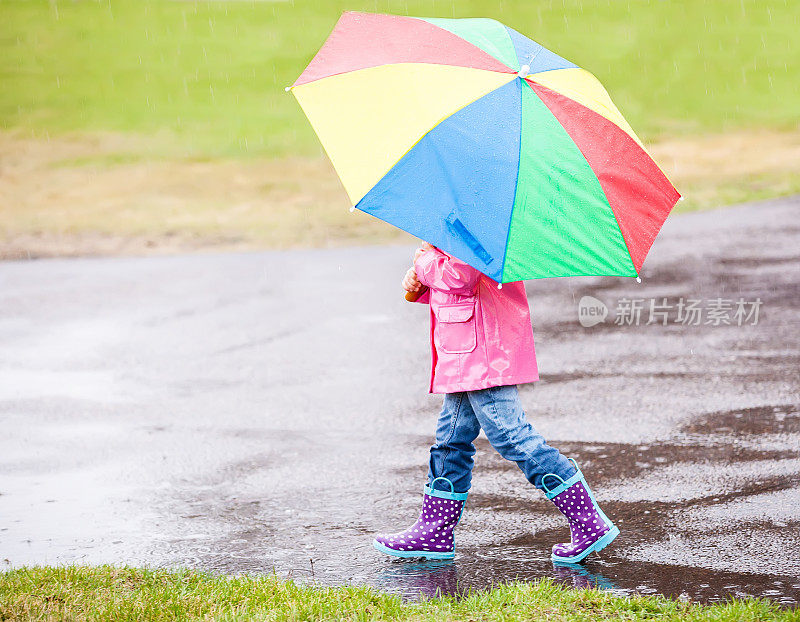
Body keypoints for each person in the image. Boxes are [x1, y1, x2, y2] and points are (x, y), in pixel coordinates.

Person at [372, 242, 619, 564]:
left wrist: (424, 263)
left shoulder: (477, 221)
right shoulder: (456, 219)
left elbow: (462, 275)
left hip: (484, 352)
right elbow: (452, 285)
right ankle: (435, 532)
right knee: (450, 439)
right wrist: (419, 282)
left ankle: (588, 523)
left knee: (511, 436)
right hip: (463, 350)